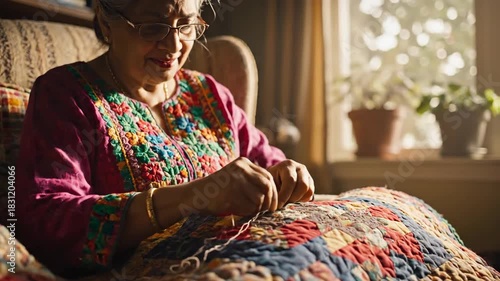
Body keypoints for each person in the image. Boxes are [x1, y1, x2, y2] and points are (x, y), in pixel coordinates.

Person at [15, 0, 315, 277]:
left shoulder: (208, 94)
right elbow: (45, 221)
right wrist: (194, 196)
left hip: (250, 257)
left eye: (186, 25)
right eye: (153, 27)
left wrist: (289, 174)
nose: (173, 45)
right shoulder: (66, 95)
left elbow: (269, 162)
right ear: (107, 21)